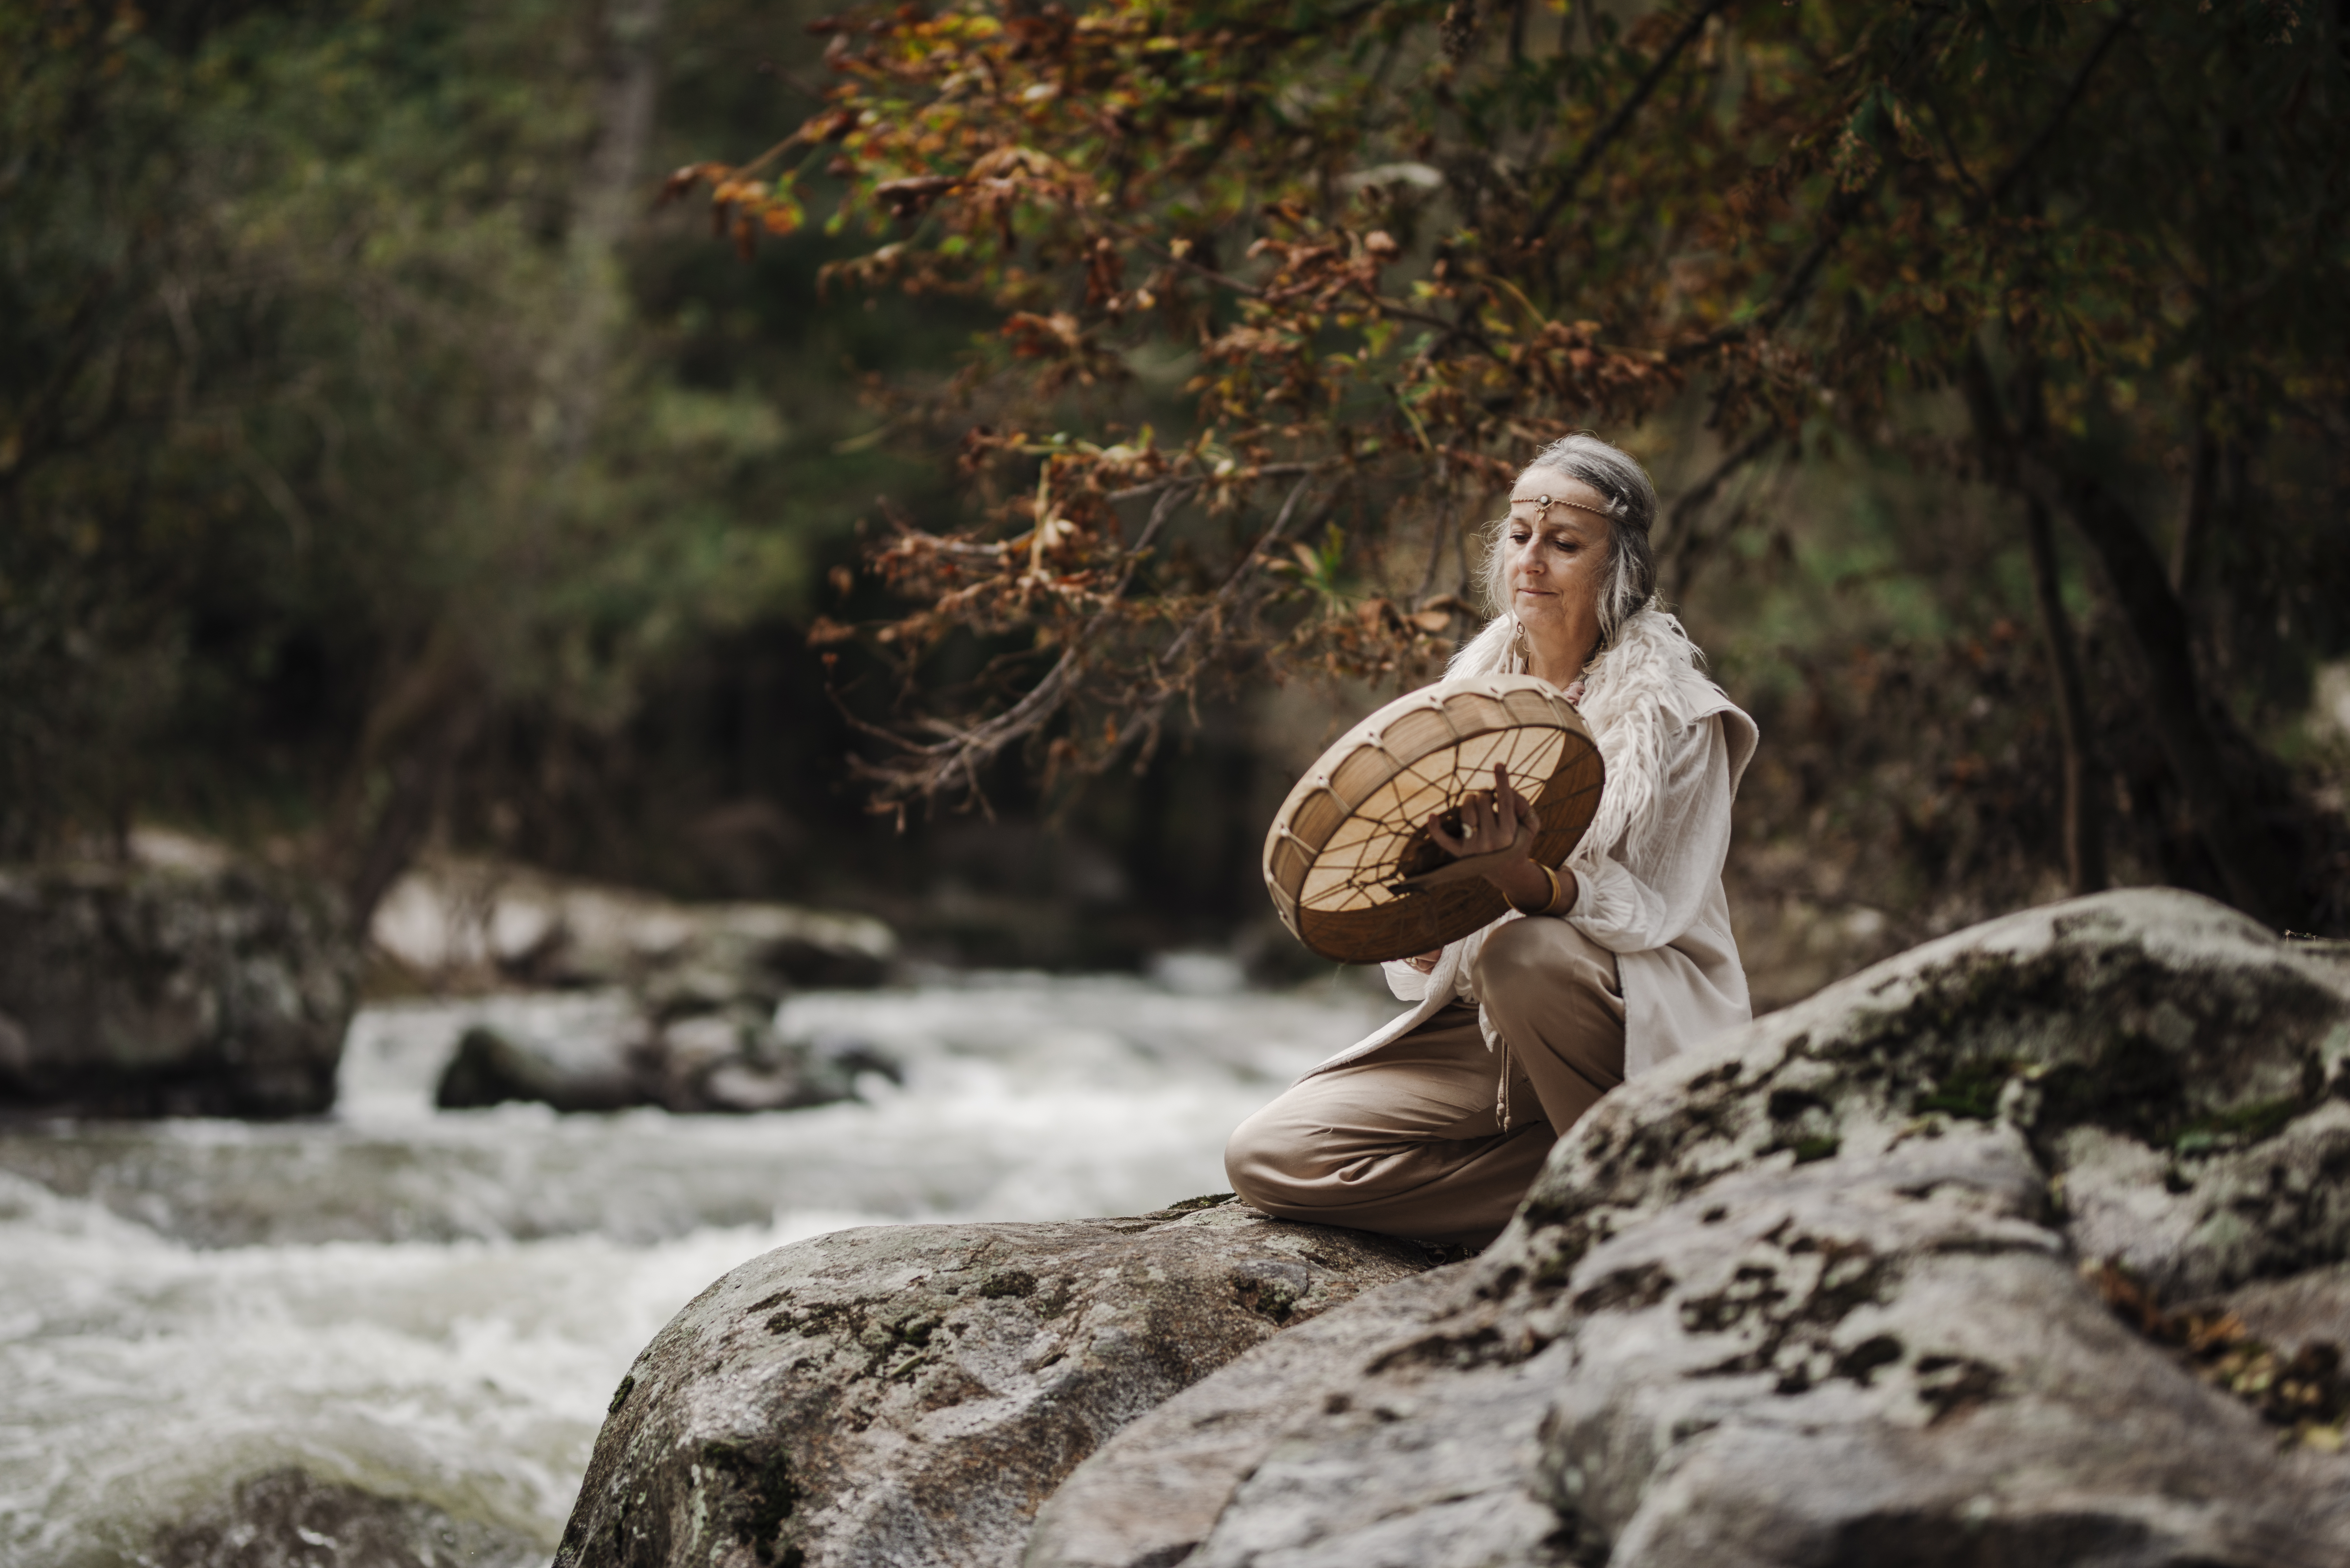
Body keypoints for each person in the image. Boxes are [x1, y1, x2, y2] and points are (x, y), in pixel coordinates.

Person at [1225, 433, 1759, 1248]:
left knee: (1524, 954)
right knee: (1267, 1156)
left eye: (1563, 543)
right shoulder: (1464, 703)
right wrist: (1421, 927)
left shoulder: (1679, 716)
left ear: (1619, 569)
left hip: (1625, 1016)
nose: (1531, 560)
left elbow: (1650, 913)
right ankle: (1576, 1191)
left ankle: (1623, 1195)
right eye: (1519, 537)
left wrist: (1522, 878)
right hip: (1480, 1029)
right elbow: (1434, 930)